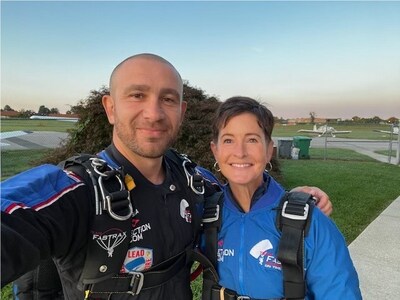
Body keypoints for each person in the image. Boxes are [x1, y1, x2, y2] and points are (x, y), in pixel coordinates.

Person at [1, 53, 332, 300]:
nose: (154, 113)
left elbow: (247, 195)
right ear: (110, 107)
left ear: (181, 112)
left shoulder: (194, 181)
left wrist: (292, 201)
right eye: (137, 95)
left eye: (168, 99)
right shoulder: (76, 191)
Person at [198, 96, 361, 299]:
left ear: (268, 150)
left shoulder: (308, 222)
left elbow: (339, 292)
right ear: (215, 151)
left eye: (252, 139)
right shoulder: (206, 214)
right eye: (228, 140)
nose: (240, 152)